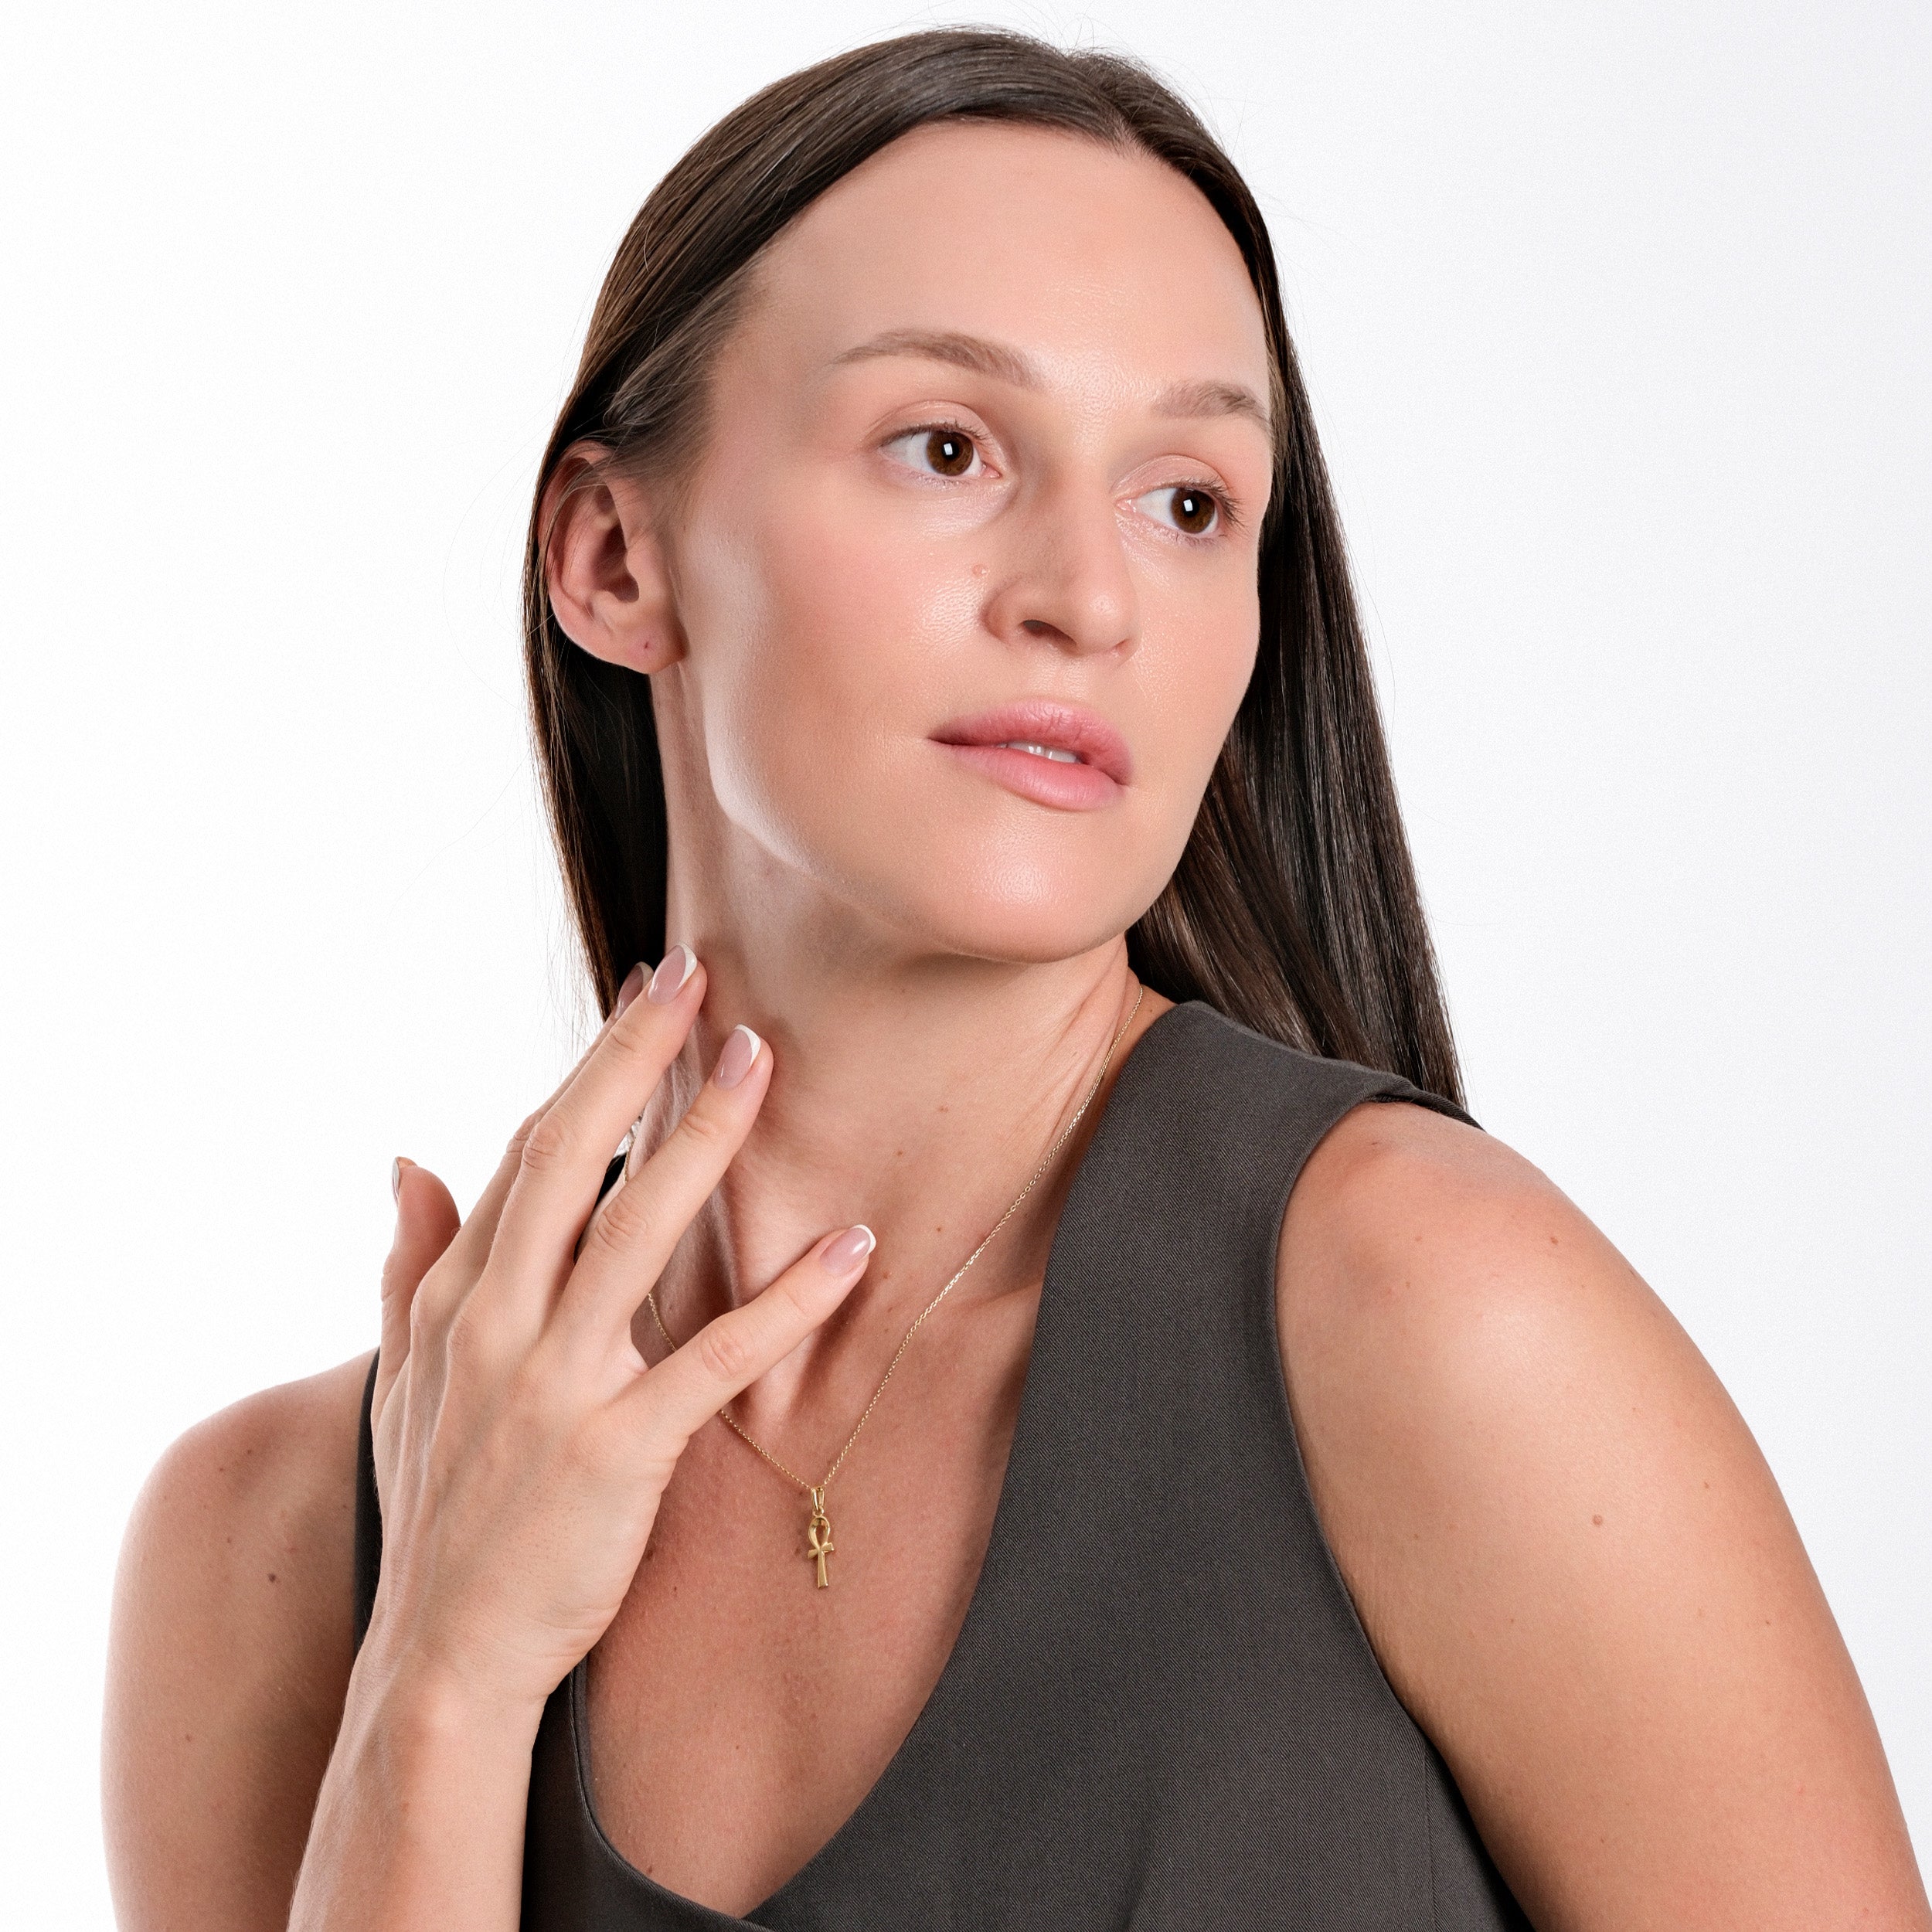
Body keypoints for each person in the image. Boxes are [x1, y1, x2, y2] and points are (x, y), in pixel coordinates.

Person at [100, 27, 1928, 1932]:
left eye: (1188, 498)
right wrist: (443, 1675)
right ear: (613, 554)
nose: (1088, 591)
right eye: (947, 447)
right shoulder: (277, 1543)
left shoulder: (1437, 1318)